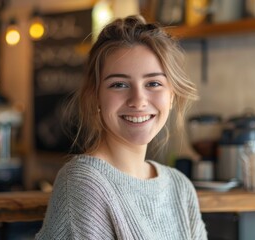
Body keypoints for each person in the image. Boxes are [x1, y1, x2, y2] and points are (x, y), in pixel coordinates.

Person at [35, 15, 207, 240]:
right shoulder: (83, 184)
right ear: (95, 97)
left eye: (153, 83)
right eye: (119, 84)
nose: (138, 100)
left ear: (172, 95)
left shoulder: (180, 187)